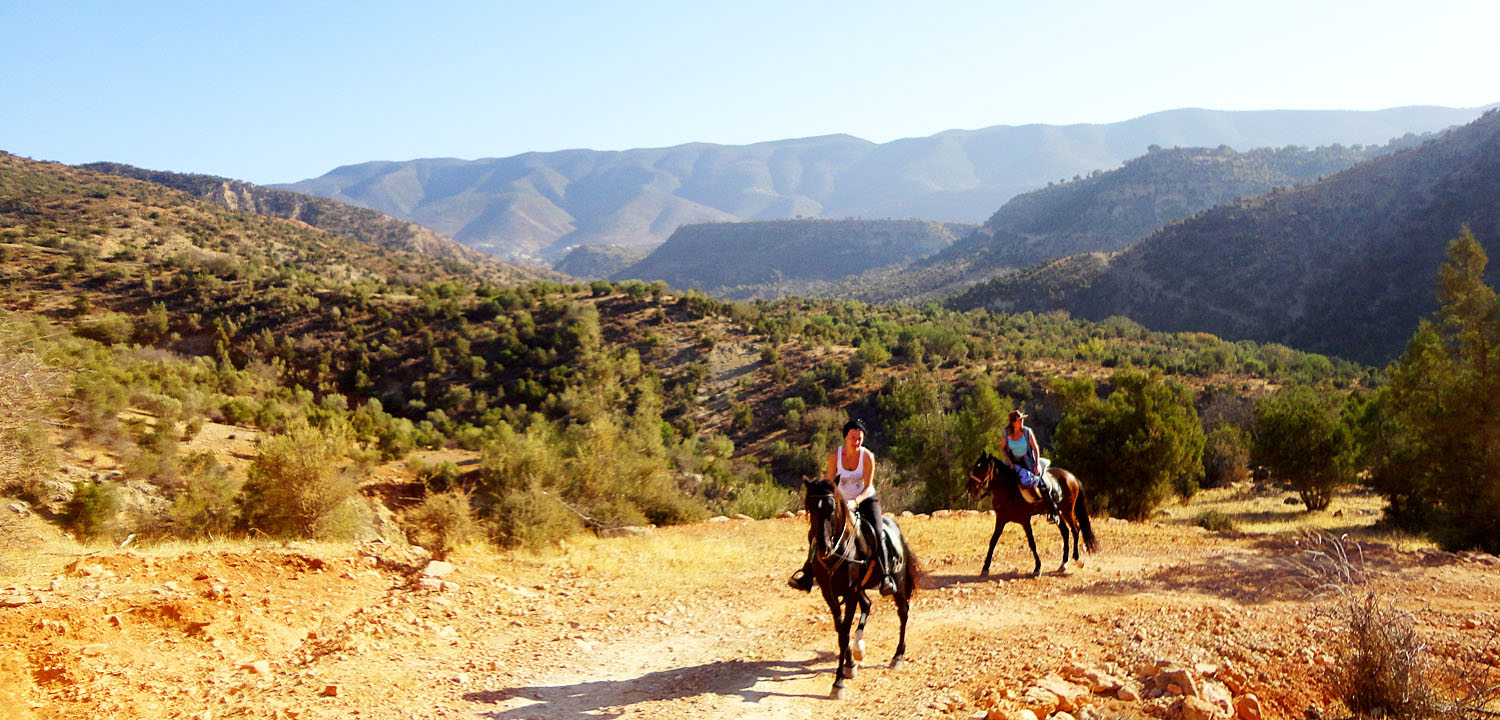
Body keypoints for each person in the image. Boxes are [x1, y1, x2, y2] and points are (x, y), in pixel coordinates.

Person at [789, 418, 898, 596]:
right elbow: (830, 483)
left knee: (877, 533)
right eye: (853, 437)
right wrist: (832, 500)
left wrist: (856, 501)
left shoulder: (867, 457)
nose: (856, 441)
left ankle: (886, 577)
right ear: (845, 437)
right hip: (841, 502)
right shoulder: (835, 456)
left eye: (860, 438)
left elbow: (868, 486)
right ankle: (807, 574)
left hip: (865, 499)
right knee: (816, 532)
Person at [1003, 409, 1059, 524]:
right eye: (1019, 420)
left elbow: (1035, 447)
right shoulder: (1006, 433)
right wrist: (1009, 461)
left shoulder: (1027, 432)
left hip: (1029, 461)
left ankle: (1053, 512)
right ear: (1013, 422)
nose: (1022, 422)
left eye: (1022, 420)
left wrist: (1037, 463)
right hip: (1014, 463)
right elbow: (1004, 449)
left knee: (1041, 482)